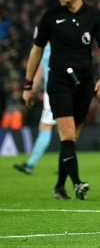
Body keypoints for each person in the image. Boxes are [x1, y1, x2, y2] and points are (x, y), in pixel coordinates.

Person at [22, 0, 100, 200]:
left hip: (84, 83)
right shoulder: (50, 16)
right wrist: (28, 85)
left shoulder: (94, 16)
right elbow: (36, 52)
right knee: (67, 135)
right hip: (59, 81)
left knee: (72, 139)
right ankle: (77, 183)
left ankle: (59, 186)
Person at [14, 44, 54, 174]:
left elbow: (38, 73)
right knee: (67, 129)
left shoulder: (45, 47)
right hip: (69, 92)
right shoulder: (67, 41)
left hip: (53, 92)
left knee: (45, 127)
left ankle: (30, 164)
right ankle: (66, 165)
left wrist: (29, 91)